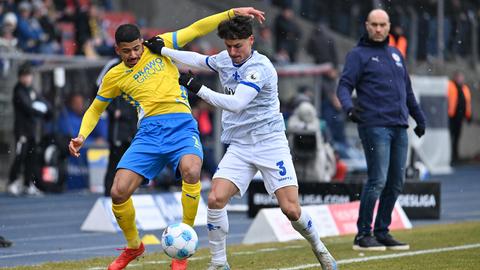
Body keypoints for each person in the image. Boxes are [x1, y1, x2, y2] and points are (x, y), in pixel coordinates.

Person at [67, 7, 265, 270]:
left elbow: (196, 28)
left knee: (191, 171)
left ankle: (181, 252)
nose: (134, 55)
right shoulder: (114, 76)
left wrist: (230, 13)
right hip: (148, 133)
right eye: (127, 51)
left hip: (182, 126)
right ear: (118, 51)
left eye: (137, 48)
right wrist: (81, 135)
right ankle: (133, 246)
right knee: (118, 192)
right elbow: (95, 108)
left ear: (141, 43)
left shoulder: (161, 45)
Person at [151, 15, 337, 270]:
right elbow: (200, 60)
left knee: (291, 210)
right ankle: (219, 263)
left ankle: (320, 248)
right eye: (228, 46)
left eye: (237, 46)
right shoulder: (226, 58)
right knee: (215, 198)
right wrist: (163, 50)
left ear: (251, 40)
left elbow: (236, 104)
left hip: (270, 143)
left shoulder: (260, 68)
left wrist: (198, 87)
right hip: (240, 145)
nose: (232, 52)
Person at [337, 9, 426, 251]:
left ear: (388, 26)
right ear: (367, 25)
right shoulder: (358, 54)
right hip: (374, 125)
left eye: (382, 24)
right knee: (377, 180)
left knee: (396, 183)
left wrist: (420, 118)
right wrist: (349, 108)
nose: (378, 29)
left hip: (399, 126)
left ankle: (382, 231)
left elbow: (407, 92)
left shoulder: (396, 54)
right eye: (374, 24)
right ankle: (362, 235)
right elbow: (344, 86)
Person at [95, 58, 138, 196]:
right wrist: (112, 109)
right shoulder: (113, 65)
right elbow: (98, 87)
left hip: (133, 120)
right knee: (115, 158)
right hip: (118, 125)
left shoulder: (141, 64)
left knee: (131, 159)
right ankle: (109, 191)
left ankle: (126, 189)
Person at [7, 63, 51, 196]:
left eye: (28, 76)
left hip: (31, 130)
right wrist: (41, 112)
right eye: (24, 76)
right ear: (20, 77)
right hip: (21, 130)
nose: (27, 79)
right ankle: (12, 181)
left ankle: (27, 183)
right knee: (20, 155)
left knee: (31, 157)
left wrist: (49, 110)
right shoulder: (18, 90)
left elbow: (42, 101)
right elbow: (28, 107)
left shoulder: (31, 90)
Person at [447, 70, 472, 165]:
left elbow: (467, 104)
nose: (460, 79)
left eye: (461, 77)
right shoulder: (450, 86)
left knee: (457, 137)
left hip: (459, 117)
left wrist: (469, 116)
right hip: (451, 117)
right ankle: (450, 156)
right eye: (458, 77)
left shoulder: (465, 88)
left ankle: (455, 156)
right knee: (450, 137)